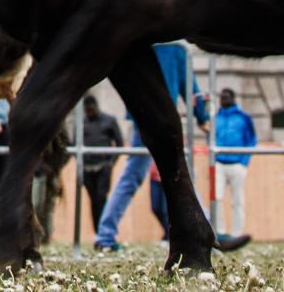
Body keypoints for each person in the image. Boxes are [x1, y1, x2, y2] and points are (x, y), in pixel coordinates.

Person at [94, 42, 208, 252]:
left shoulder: (138, 41)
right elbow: (191, 88)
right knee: (180, 174)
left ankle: (105, 235)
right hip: (164, 121)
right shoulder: (176, 49)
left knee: (130, 178)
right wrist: (203, 117)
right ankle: (207, 228)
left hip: (141, 117)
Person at [211, 87, 256, 250]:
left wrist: (244, 162)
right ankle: (221, 232)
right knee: (217, 197)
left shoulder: (243, 118)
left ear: (233, 98)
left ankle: (237, 233)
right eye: (221, 97)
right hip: (219, 162)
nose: (223, 99)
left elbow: (251, 140)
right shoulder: (215, 117)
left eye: (226, 97)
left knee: (237, 200)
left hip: (237, 163)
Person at [78, 94, 126, 228]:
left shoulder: (109, 121)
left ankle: (104, 229)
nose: (90, 113)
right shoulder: (82, 123)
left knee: (101, 197)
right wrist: (80, 162)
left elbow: (120, 143)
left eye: (91, 110)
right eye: (87, 111)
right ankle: (97, 230)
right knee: (93, 199)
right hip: (87, 168)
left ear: (96, 107)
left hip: (103, 166)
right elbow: (75, 144)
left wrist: (111, 163)